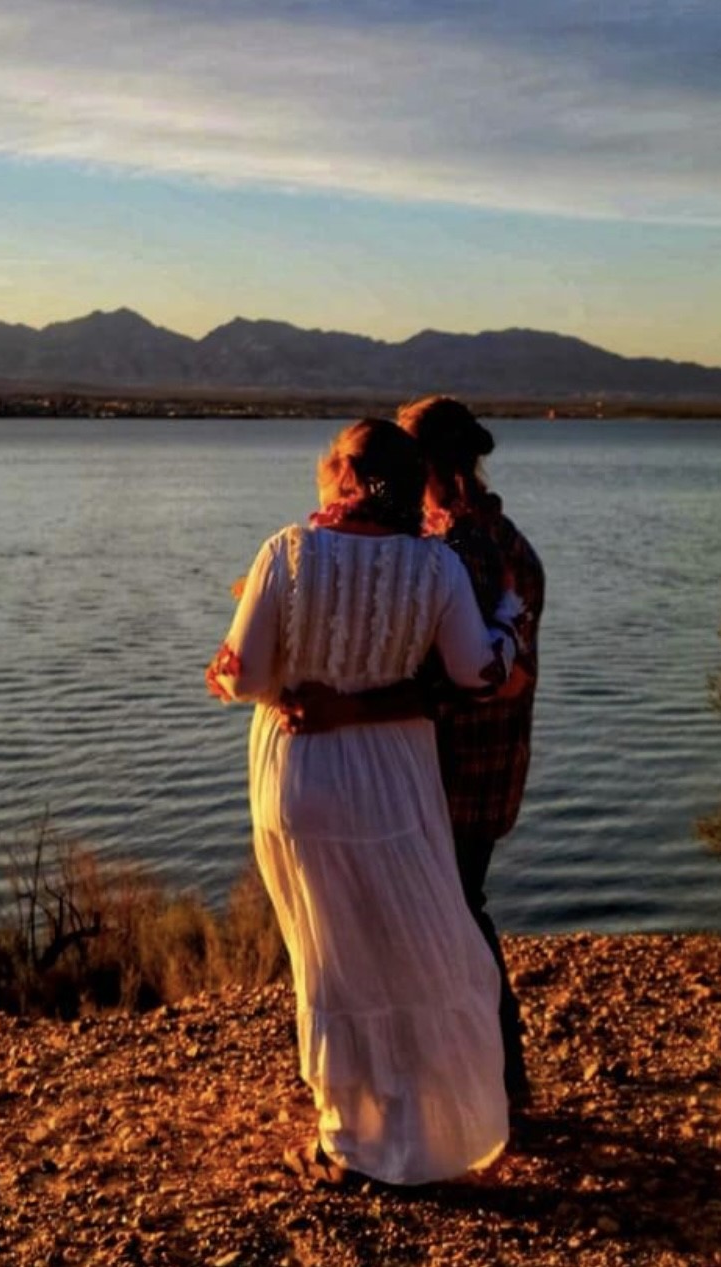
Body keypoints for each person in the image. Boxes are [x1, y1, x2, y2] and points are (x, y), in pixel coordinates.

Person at [205, 418, 526, 1187]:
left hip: (297, 774)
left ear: (342, 475)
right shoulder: (437, 565)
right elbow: (477, 674)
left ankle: (346, 1133)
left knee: (328, 954)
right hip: (393, 779)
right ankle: (427, 1120)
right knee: (413, 942)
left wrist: (234, 670)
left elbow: (242, 678)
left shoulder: (286, 550)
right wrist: (508, 622)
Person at [280, 397, 545, 1111]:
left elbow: (452, 686)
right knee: (459, 912)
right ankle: (480, 1079)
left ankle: (489, 1082)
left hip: (448, 768)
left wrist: (344, 708)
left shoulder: (453, 549)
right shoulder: (501, 537)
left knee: (450, 923)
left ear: (420, 465)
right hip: (492, 767)